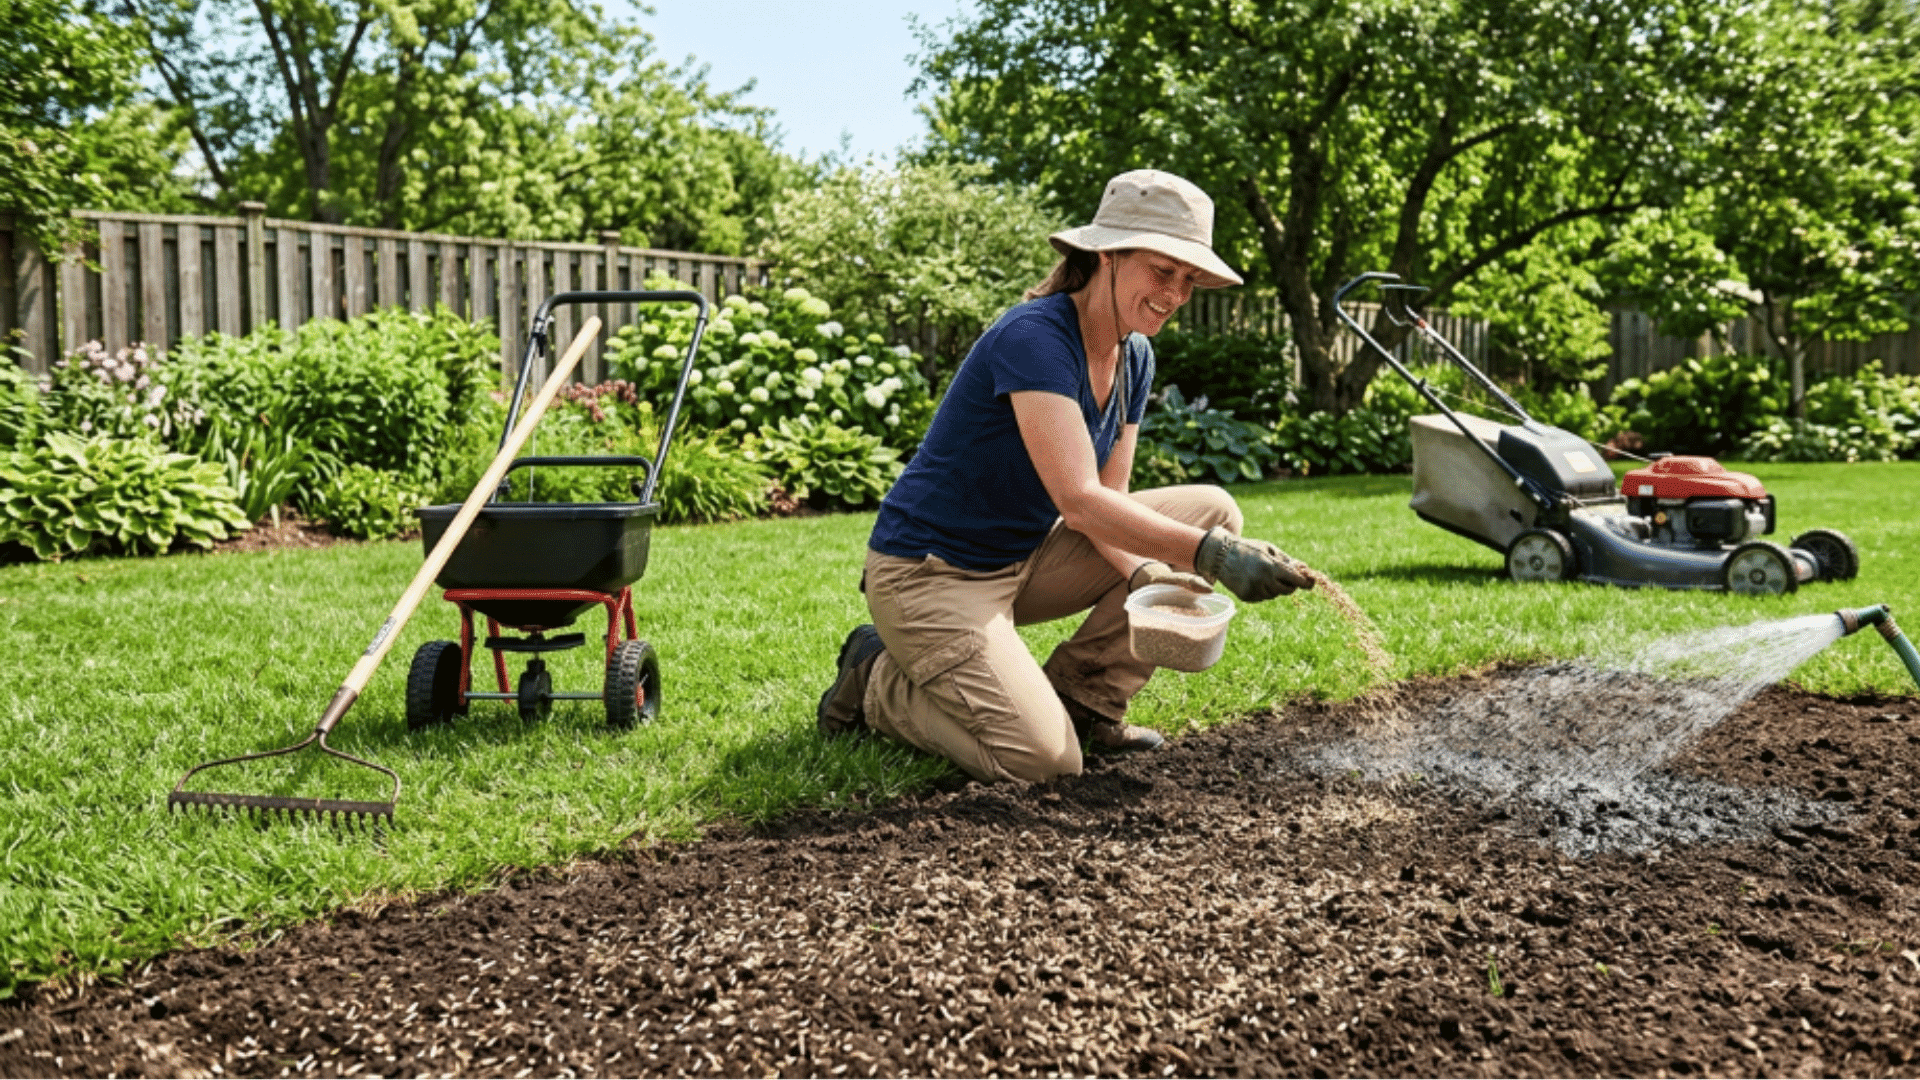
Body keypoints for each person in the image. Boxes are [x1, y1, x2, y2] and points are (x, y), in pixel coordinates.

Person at [817, 169, 1315, 784]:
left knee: (1212, 508)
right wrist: (1211, 556)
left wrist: (1147, 570)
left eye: (1189, 279)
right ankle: (874, 680)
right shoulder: (1036, 338)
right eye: (1163, 271)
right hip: (930, 576)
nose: (1177, 293)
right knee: (1042, 763)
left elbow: (1111, 499)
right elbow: (1078, 502)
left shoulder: (1134, 353)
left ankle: (1084, 702)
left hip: (1022, 561)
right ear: (1107, 255)